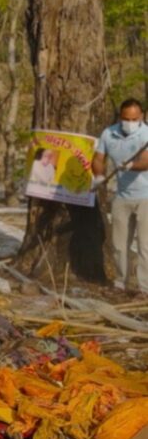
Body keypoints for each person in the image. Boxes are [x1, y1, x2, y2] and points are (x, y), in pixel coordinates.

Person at [92, 98, 148, 293]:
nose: (130, 123)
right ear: (119, 117)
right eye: (126, 119)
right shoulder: (109, 134)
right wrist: (99, 176)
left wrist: (132, 165)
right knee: (119, 244)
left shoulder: (145, 133)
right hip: (122, 195)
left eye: (134, 119)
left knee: (145, 245)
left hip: (145, 196)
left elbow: (146, 161)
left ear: (141, 116)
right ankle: (119, 282)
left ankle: (144, 288)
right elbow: (98, 158)